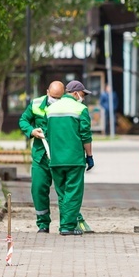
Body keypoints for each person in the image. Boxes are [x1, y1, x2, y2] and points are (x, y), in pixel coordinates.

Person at [46, 80, 94, 235]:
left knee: (62, 194)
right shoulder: (81, 109)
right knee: (73, 193)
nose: (84, 98)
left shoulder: (50, 109)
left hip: (56, 160)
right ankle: (67, 227)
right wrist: (90, 155)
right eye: (83, 94)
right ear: (75, 93)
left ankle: (66, 224)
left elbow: (48, 133)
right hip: (74, 159)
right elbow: (85, 135)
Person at [19, 80, 65, 233]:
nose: (56, 101)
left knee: (63, 191)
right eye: (53, 97)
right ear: (47, 92)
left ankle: (66, 224)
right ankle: (43, 224)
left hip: (59, 156)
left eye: (59, 98)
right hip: (40, 156)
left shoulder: (67, 107)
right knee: (38, 189)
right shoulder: (36, 104)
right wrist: (32, 131)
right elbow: (23, 120)